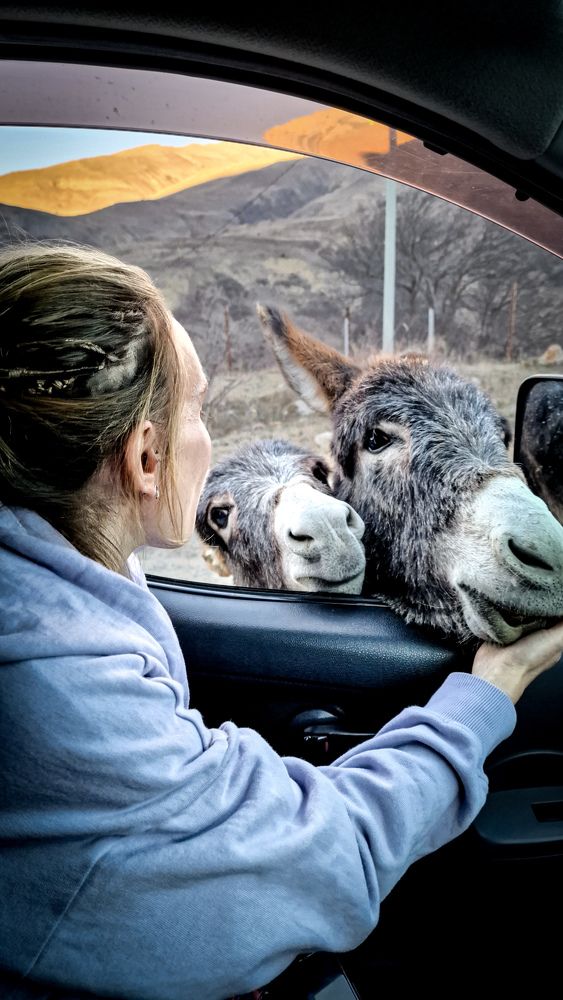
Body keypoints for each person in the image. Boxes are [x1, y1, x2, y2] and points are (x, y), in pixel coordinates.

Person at [1, 242, 562, 1000]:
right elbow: (308, 860)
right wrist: (489, 690)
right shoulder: (57, 680)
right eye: (199, 408)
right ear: (144, 459)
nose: (206, 431)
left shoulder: (59, 582)